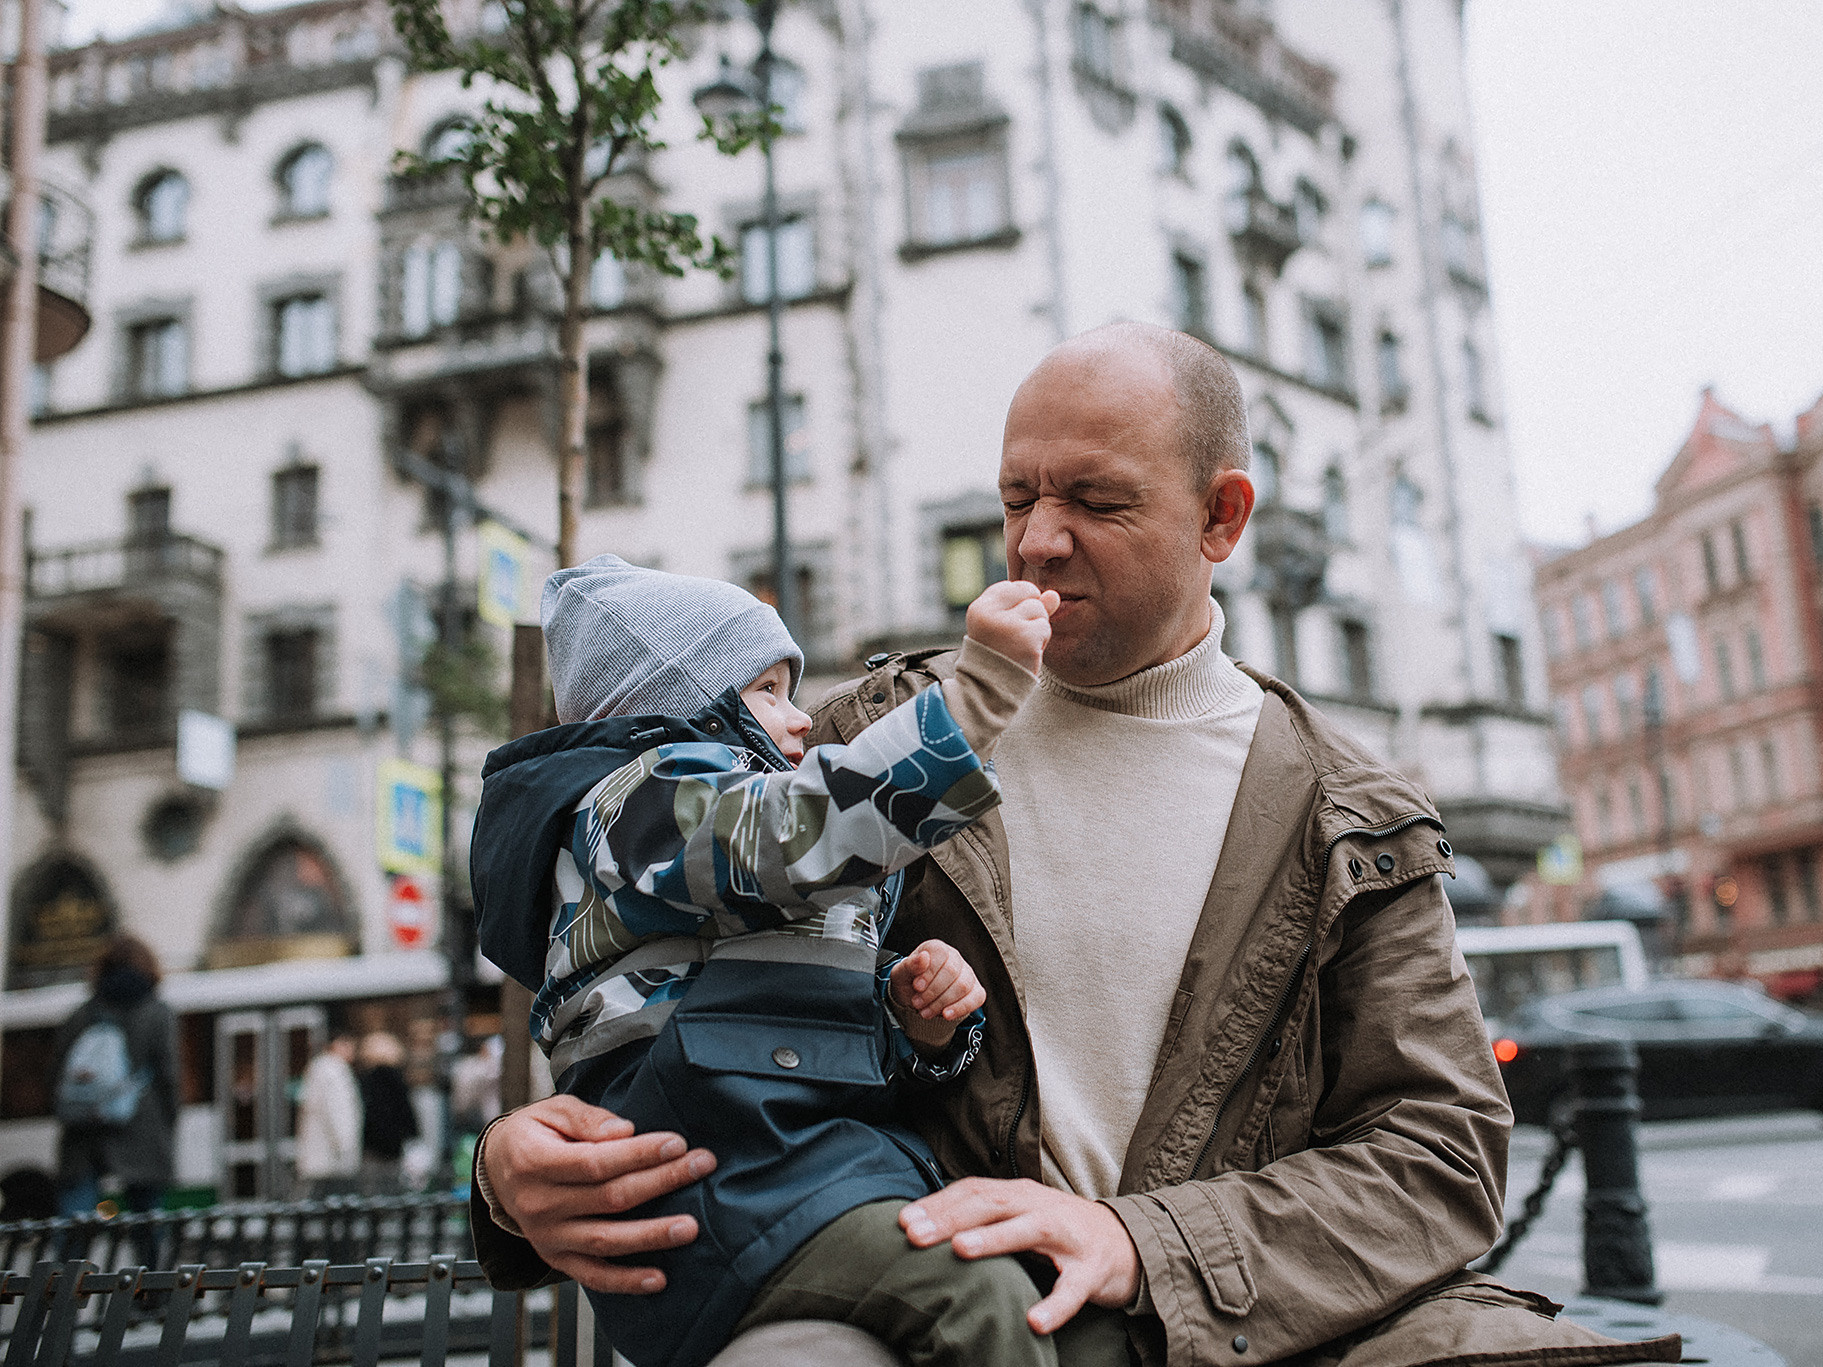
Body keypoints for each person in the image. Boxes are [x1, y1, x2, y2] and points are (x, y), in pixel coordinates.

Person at [470, 324, 1680, 1367]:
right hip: (919, 1305)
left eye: (1094, 502)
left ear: (1221, 515)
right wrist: (505, 1176)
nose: (1036, 542)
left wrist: (1143, 1243)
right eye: (1014, 500)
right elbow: (625, 968)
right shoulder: (849, 745)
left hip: (1253, 1329)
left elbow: (1438, 1156)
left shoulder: (1348, 812)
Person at [466, 557, 1116, 1367]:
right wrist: (970, 701)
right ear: (675, 711)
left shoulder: (697, 867)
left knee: (1072, 1316)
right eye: (768, 691)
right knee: (979, 1297)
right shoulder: (641, 806)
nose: (803, 719)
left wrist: (908, 1015)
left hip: (782, 1182)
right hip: (727, 1198)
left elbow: (765, 995)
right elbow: (797, 833)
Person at [54, 934, 180, 1223]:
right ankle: (149, 1269)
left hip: (84, 1131)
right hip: (143, 1128)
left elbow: (56, 1078)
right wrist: (167, 1123)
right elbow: (168, 1078)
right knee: (147, 1224)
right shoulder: (158, 1014)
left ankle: (68, 1269)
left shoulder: (79, 1016)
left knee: (76, 1222)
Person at [296, 1029, 362, 1199]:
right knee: (334, 1204)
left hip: (323, 1158)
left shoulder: (319, 1067)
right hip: (332, 1159)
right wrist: (345, 1147)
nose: (353, 1051)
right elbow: (338, 1112)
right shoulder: (333, 1070)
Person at [357, 1031, 418, 1196]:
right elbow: (406, 1112)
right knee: (393, 1190)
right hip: (394, 1145)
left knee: (372, 1192)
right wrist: (411, 1134)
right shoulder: (397, 1079)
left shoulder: (366, 1079)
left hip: (371, 1146)